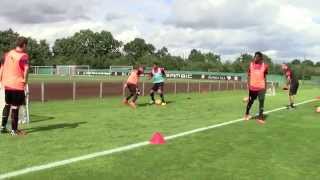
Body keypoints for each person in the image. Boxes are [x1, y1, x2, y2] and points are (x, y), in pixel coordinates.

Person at [0, 37, 29, 136]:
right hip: (17, 84)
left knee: (7, 105)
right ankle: (14, 130)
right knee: (15, 107)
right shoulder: (23, 56)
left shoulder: (8, 54)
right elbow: (26, 69)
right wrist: (25, 81)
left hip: (7, 84)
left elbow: (2, 67)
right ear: (24, 45)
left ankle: (3, 127)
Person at [244, 52, 269, 124]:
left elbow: (265, 77)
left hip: (261, 87)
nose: (255, 58)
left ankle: (260, 118)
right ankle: (246, 114)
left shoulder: (265, 66)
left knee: (261, 102)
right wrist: (248, 85)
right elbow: (248, 75)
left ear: (260, 58)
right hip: (252, 87)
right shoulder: (251, 65)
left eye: (257, 57)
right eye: (254, 56)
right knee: (250, 101)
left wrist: (265, 87)